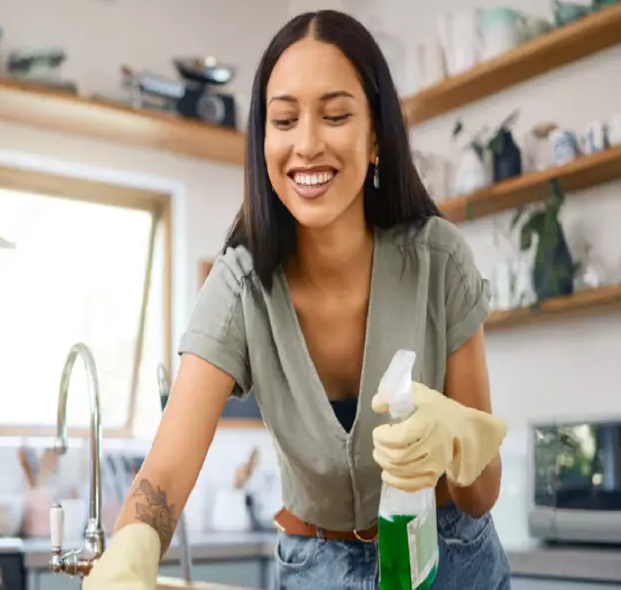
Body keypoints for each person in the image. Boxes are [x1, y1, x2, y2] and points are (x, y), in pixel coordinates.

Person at [82, 9, 511, 590]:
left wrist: (459, 438)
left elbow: (481, 495)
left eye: (335, 115)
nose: (306, 145)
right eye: (284, 120)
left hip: (452, 560)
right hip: (317, 570)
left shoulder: (440, 261)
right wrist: (133, 548)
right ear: (263, 141)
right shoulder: (239, 289)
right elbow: (163, 475)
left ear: (376, 134)